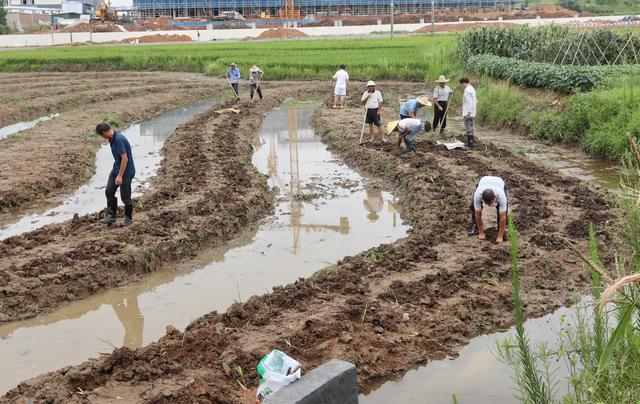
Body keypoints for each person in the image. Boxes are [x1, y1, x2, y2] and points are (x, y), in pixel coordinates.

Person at [96, 122, 136, 225]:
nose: (103, 137)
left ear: (104, 132)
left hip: (126, 171)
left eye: (102, 135)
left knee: (125, 197)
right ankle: (111, 216)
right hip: (116, 168)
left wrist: (119, 176)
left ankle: (128, 219)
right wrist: (116, 172)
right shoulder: (111, 139)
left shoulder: (118, 139)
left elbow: (125, 159)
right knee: (109, 191)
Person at [469, 176, 508, 243]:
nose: (489, 205)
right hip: (483, 181)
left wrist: (500, 237)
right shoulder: (478, 194)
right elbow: (478, 214)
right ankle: (476, 228)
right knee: (473, 206)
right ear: (482, 199)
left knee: (502, 210)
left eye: (491, 203)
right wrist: (481, 233)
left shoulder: (501, 195)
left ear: (495, 198)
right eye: (486, 203)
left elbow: (503, 217)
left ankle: (500, 230)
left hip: (499, 182)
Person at [460, 77, 477, 147]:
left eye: (461, 84)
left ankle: (470, 144)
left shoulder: (467, 91)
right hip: (472, 111)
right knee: (470, 127)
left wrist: (468, 113)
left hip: (468, 112)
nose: (461, 86)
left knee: (468, 128)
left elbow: (469, 102)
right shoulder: (471, 88)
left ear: (464, 83)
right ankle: (471, 143)